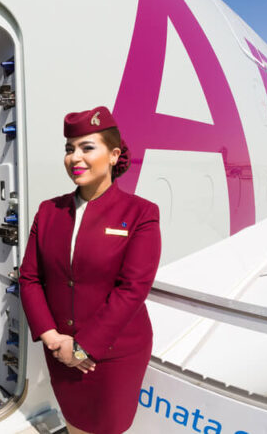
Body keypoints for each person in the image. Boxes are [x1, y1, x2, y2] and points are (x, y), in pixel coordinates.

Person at [19, 106, 161, 434]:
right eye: (69, 149)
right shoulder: (49, 211)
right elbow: (30, 278)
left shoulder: (141, 213)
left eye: (87, 147)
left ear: (113, 155)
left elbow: (133, 289)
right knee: (74, 423)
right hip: (59, 350)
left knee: (110, 428)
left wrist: (83, 347)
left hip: (113, 356)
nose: (75, 158)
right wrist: (52, 337)